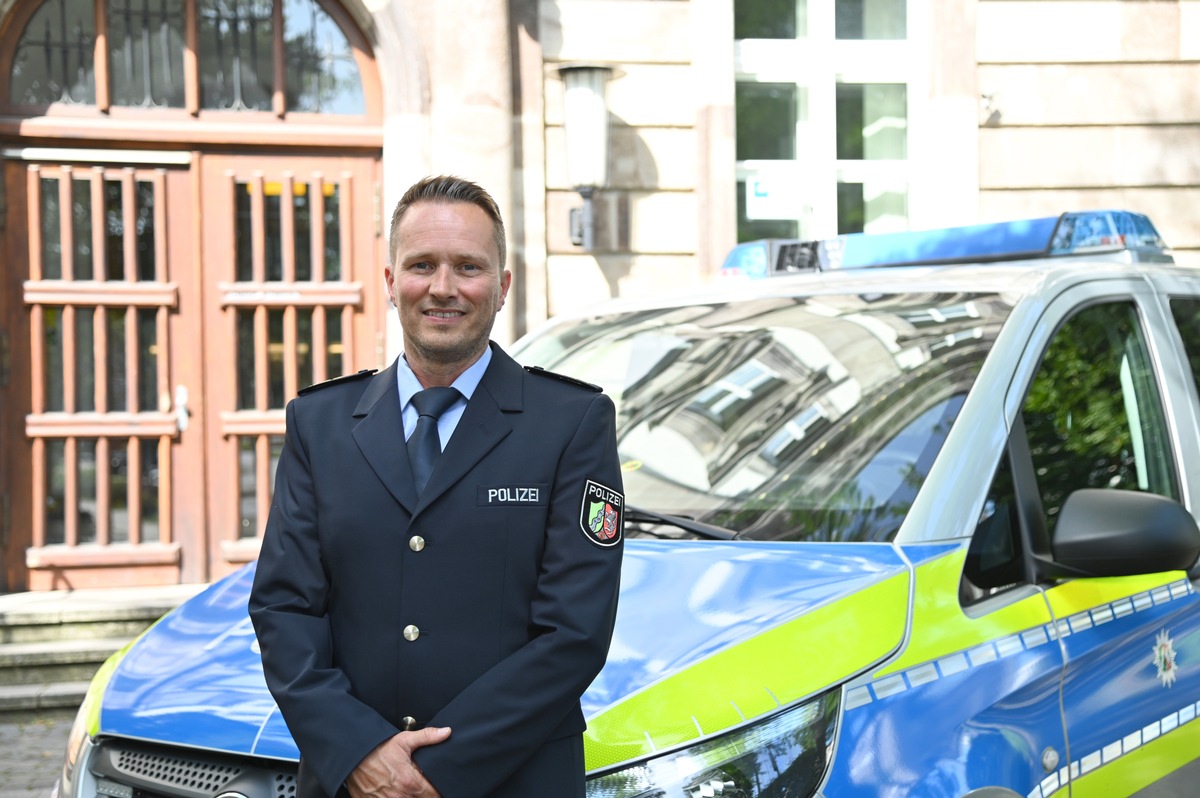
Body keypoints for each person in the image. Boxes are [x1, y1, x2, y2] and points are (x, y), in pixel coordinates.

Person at [249, 175, 624, 798]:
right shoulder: (320, 423)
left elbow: (574, 632)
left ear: (502, 288)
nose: (443, 287)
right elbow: (285, 607)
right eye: (422, 264)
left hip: (514, 780)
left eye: (468, 267)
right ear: (393, 282)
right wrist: (360, 751)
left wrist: (432, 773)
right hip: (351, 783)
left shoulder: (571, 424)